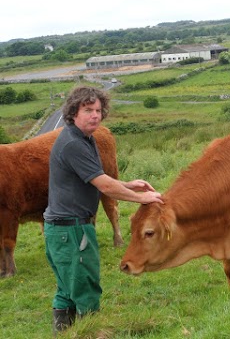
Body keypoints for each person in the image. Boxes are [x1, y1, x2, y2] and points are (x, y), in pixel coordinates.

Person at [43, 86, 163, 335]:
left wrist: (128, 184)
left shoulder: (85, 139)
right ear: (74, 112)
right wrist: (141, 197)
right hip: (71, 231)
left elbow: (96, 177)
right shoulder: (73, 144)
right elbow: (105, 185)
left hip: (63, 229)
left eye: (98, 110)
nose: (95, 115)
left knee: (67, 290)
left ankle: (65, 334)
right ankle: (89, 332)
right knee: (85, 289)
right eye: (88, 110)